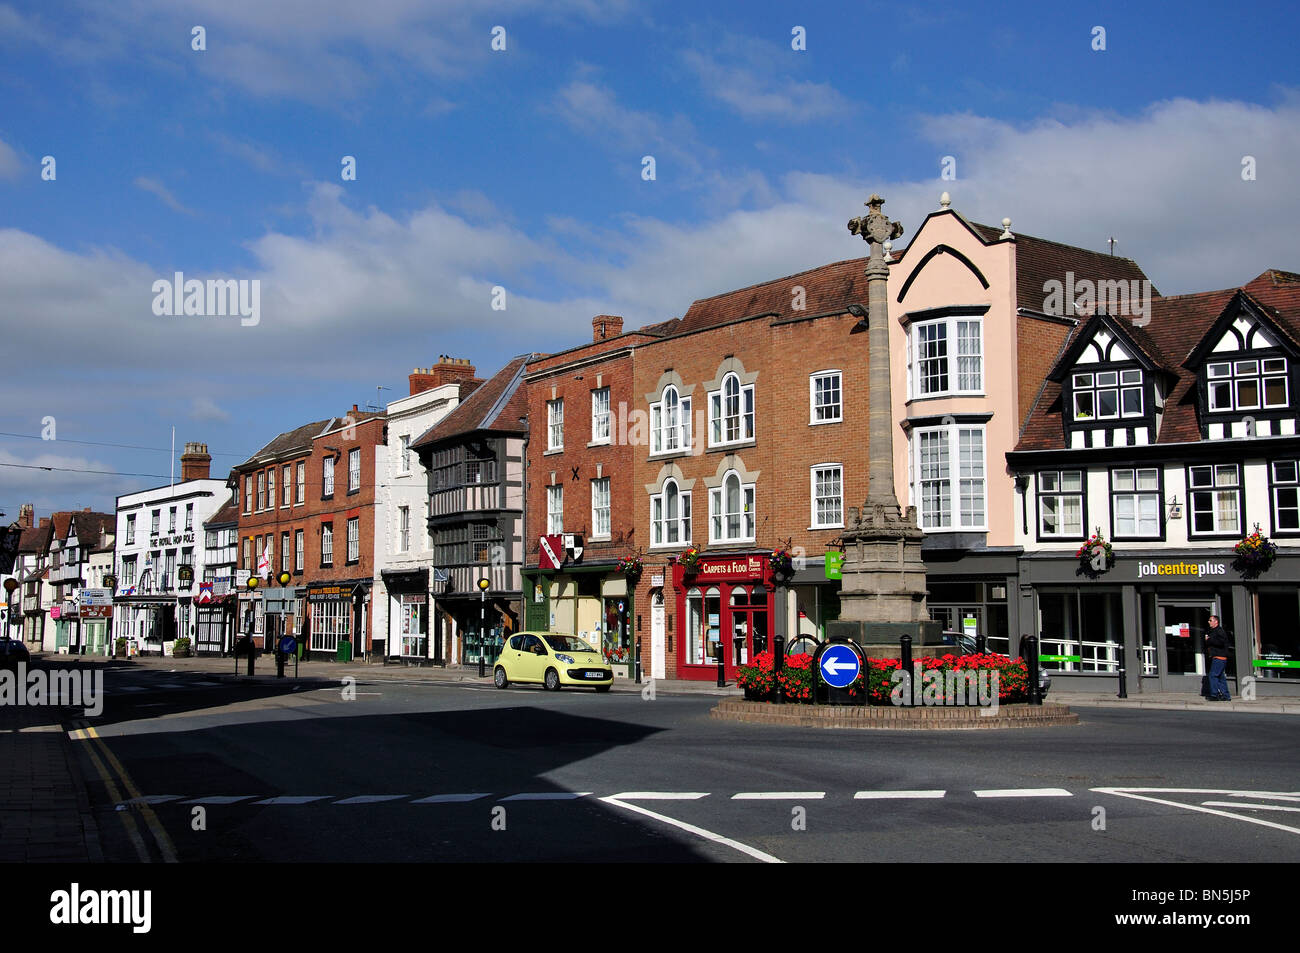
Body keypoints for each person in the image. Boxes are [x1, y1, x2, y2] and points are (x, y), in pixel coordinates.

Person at [1205, 615, 1232, 701]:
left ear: (1216, 621)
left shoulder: (1219, 631)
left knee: (1212, 675)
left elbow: (1221, 642)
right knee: (1220, 677)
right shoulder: (1213, 631)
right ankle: (1226, 695)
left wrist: (1209, 640)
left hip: (1219, 657)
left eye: (1210, 620)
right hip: (1218, 657)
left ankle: (1214, 694)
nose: (1208, 622)